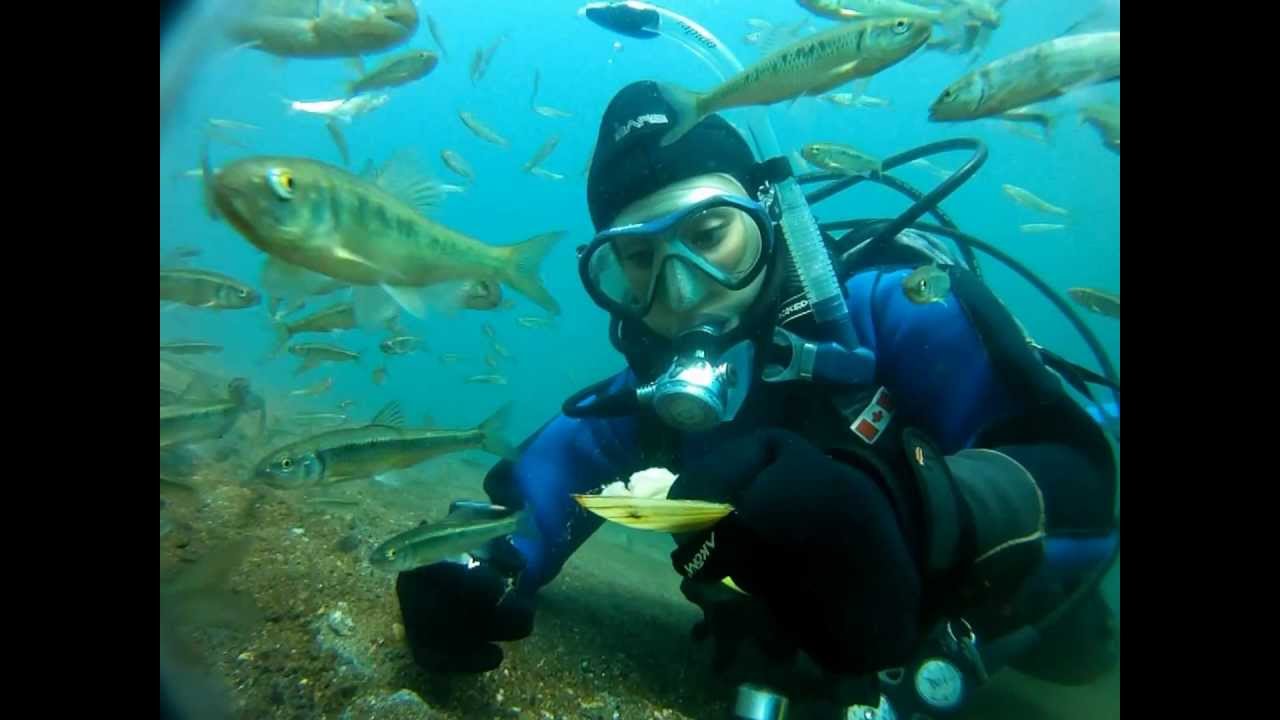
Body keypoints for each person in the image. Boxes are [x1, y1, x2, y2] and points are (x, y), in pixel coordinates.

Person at [395, 81, 1120, 719]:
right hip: (802, 653)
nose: (680, 292)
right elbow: (535, 496)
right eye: (640, 261)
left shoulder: (896, 311)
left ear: (771, 219)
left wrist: (913, 506)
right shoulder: (648, 403)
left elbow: (1083, 493)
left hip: (1000, 613)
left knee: (1080, 660)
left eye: (709, 235)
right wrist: (478, 566)